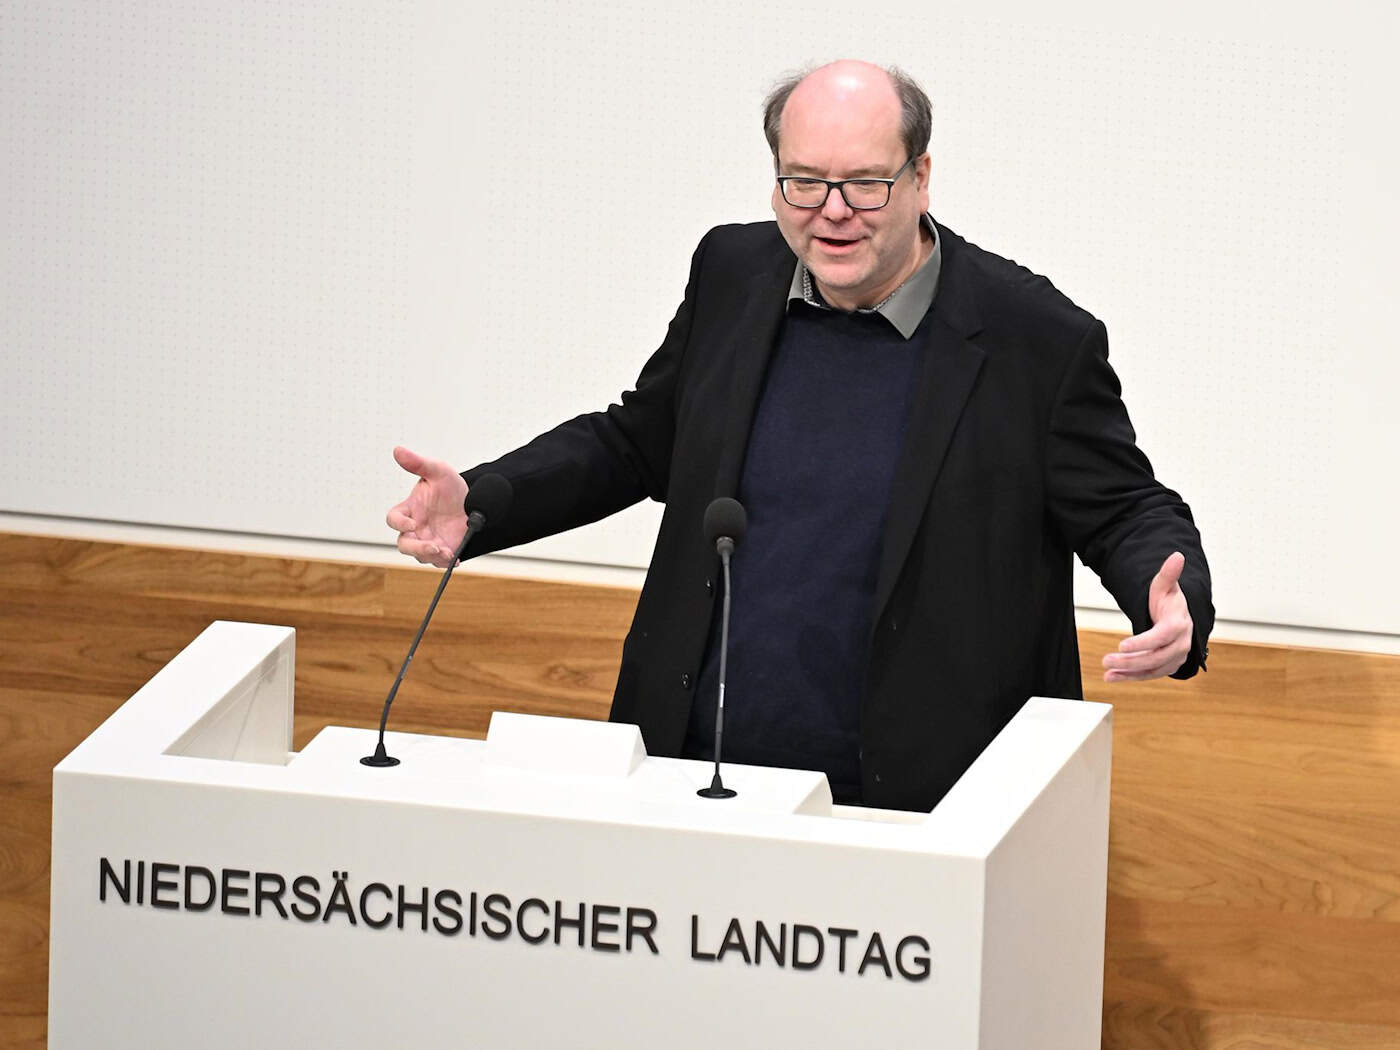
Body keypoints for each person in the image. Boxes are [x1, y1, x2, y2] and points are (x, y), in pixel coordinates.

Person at [386, 60, 1212, 811]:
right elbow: (638, 441)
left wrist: (1169, 598)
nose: (833, 213)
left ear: (921, 178)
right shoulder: (733, 273)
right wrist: (484, 504)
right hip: (689, 777)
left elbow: (1124, 509)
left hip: (918, 805)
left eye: (865, 185)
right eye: (805, 183)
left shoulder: (1032, 336)